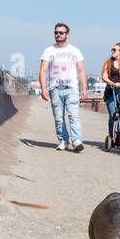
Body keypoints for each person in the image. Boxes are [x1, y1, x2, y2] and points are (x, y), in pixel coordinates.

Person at [39, 23, 87, 152]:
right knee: (59, 118)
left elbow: (81, 71)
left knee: (73, 115)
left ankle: (77, 141)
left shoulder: (75, 50)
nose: (58, 35)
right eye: (56, 32)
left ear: (67, 34)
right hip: (55, 88)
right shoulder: (49, 50)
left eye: (61, 33)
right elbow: (43, 71)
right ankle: (63, 141)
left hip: (71, 88)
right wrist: (43, 89)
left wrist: (84, 88)